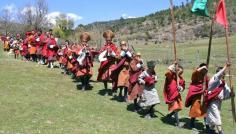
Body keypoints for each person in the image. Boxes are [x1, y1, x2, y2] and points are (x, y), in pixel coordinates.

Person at [205, 63, 234, 134]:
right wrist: (226, 66)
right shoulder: (214, 79)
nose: (224, 74)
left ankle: (210, 131)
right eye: (223, 73)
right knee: (217, 118)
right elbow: (218, 75)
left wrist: (231, 94)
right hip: (212, 102)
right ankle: (221, 132)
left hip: (218, 102)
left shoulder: (223, 82)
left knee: (213, 118)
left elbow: (227, 92)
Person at [185, 63, 209, 130]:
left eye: (206, 69)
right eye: (203, 69)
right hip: (196, 95)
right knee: (195, 110)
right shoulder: (196, 73)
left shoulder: (206, 76)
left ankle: (207, 125)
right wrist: (201, 68)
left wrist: (206, 90)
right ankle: (192, 124)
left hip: (203, 96)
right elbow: (194, 75)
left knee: (205, 111)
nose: (205, 70)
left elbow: (208, 84)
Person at [163, 63, 185, 127]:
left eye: (181, 72)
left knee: (179, 108)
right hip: (172, 95)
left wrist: (181, 88)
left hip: (177, 95)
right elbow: (167, 72)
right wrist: (173, 65)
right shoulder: (171, 76)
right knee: (176, 108)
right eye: (179, 71)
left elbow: (183, 86)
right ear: (176, 70)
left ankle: (170, 115)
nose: (180, 73)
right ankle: (178, 124)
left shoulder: (181, 79)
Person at [97, 30, 118, 95]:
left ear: (111, 39)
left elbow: (116, 55)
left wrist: (111, 52)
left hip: (111, 63)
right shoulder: (104, 46)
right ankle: (106, 90)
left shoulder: (114, 46)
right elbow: (100, 54)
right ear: (105, 40)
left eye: (109, 40)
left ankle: (113, 89)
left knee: (113, 77)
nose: (108, 41)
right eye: (107, 40)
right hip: (105, 64)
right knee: (105, 77)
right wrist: (104, 51)